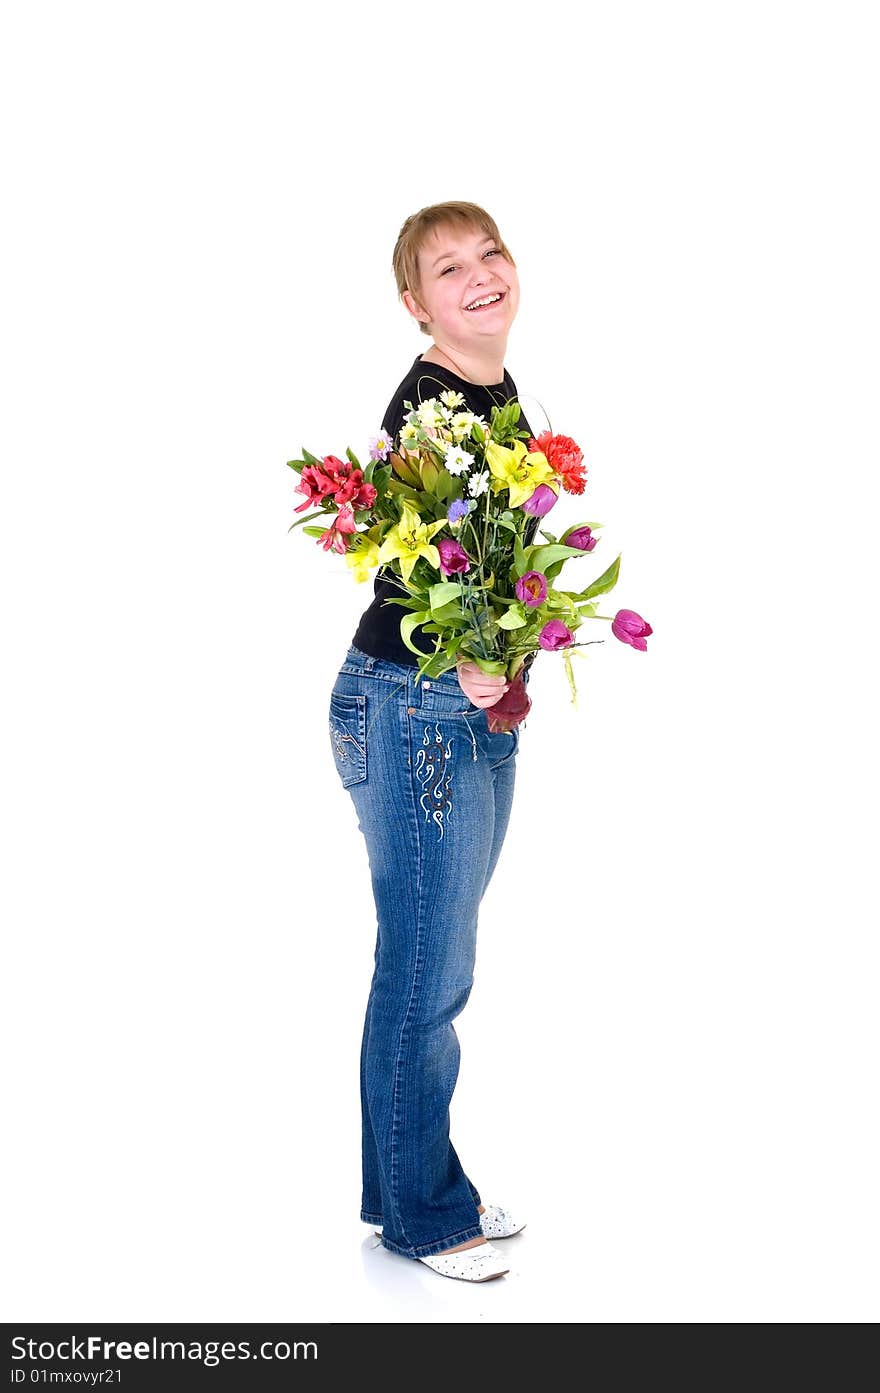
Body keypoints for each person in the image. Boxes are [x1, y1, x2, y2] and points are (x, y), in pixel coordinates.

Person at [328, 202, 537, 1283]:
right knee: (426, 972)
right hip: (411, 705)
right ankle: (420, 1211)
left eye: (488, 253)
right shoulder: (432, 404)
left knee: (423, 962)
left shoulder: (491, 389)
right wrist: (469, 648)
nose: (478, 276)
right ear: (416, 305)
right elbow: (415, 557)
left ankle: (400, 1184)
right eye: (448, 268)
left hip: (463, 709)